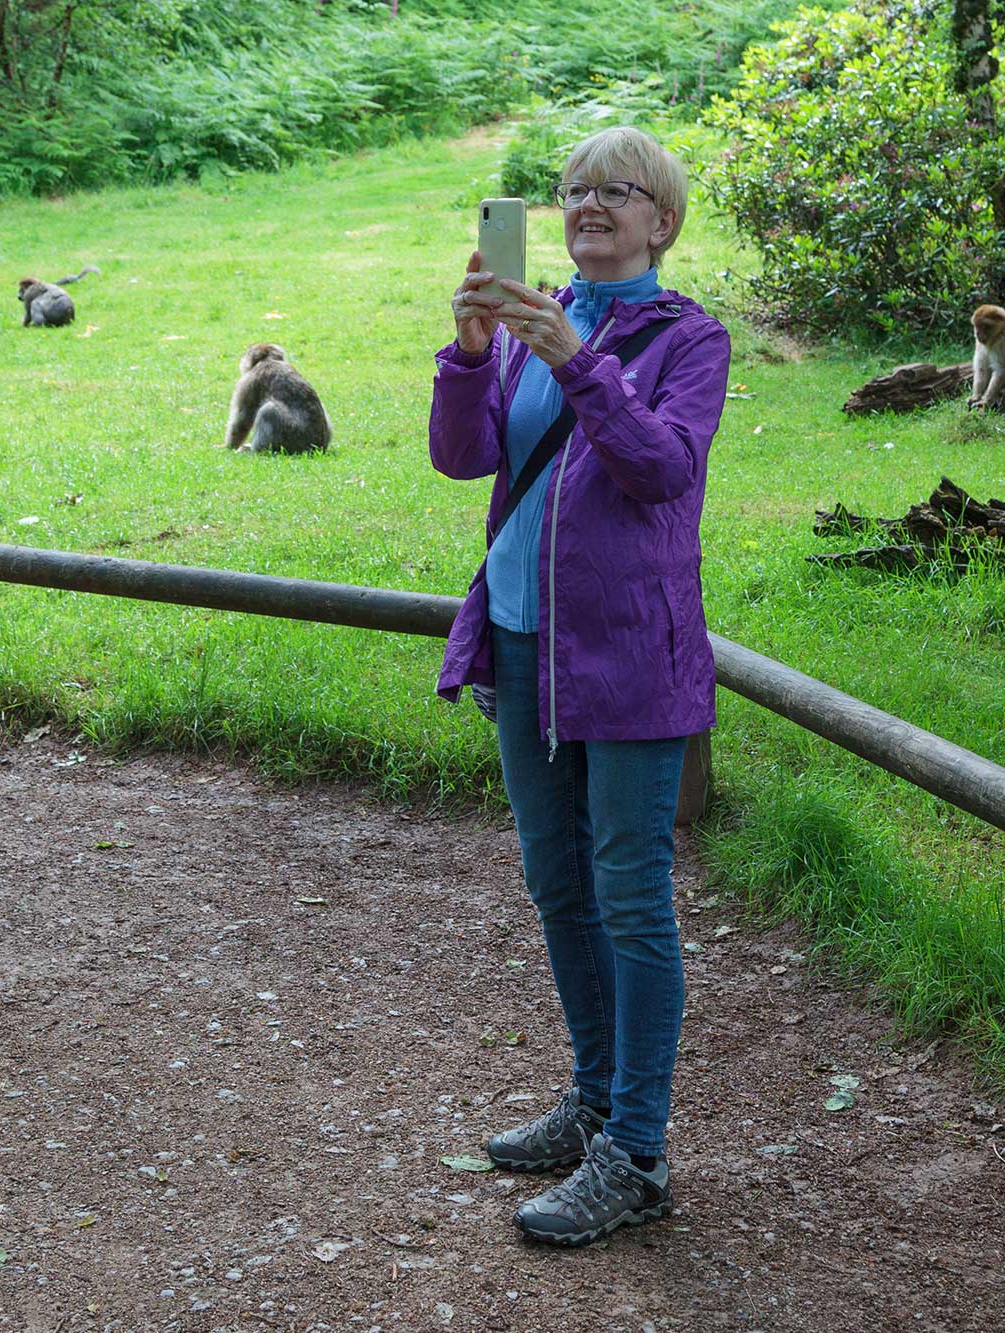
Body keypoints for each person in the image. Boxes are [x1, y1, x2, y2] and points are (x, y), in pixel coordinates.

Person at [429, 127, 731, 1245]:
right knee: (556, 884)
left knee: (629, 898)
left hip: (629, 658)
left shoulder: (688, 337)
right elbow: (463, 460)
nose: (589, 203)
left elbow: (659, 471)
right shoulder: (525, 322)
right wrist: (468, 352)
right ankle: (594, 1096)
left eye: (617, 190)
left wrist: (571, 355)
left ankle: (637, 1152)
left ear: (661, 219)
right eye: (573, 190)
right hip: (520, 642)